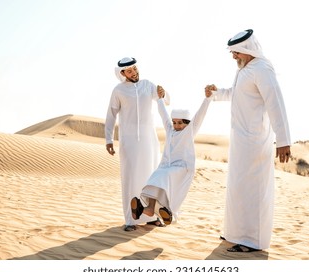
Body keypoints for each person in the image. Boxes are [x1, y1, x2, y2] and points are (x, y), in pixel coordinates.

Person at [205, 29, 291, 252]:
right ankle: (235, 233)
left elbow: (275, 103)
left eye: (236, 52)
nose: (233, 56)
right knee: (238, 188)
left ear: (246, 49)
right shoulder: (245, 70)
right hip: (240, 141)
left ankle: (253, 240)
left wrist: (283, 139)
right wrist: (215, 93)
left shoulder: (262, 69)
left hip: (255, 141)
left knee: (254, 190)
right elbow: (236, 94)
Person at [105, 57, 170, 231]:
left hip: (149, 140)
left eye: (135, 69)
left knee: (151, 177)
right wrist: (109, 139)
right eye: (129, 71)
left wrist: (165, 93)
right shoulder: (118, 91)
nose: (134, 72)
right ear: (122, 73)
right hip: (129, 141)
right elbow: (111, 115)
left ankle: (153, 216)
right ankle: (131, 220)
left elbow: (165, 100)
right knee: (130, 178)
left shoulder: (148, 85)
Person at [130, 88, 213, 225]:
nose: (176, 125)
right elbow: (163, 115)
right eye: (174, 122)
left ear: (187, 123)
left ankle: (169, 212)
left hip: (182, 168)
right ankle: (149, 209)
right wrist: (160, 99)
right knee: (156, 177)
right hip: (167, 167)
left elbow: (200, 115)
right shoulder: (170, 130)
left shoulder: (189, 131)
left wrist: (208, 99)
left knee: (164, 177)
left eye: (180, 123)